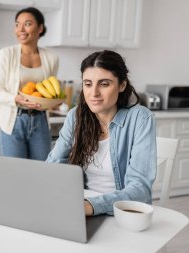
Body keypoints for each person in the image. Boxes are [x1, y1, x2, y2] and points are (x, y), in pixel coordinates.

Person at [47, 50, 156, 216]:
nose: (94, 93)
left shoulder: (140, 118)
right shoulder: (75, 116)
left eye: (104, 84)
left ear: (122, 85)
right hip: (80, 207)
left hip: (120, 212)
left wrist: (91, 206)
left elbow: (140, 190)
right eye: (88, 84)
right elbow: (53, 165)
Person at [0, 7, 59, 160]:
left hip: (40, 120)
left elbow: (50, 89)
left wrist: (51, 102)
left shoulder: (52, 57)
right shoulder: (5, 54)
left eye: (27, 24)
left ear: (40, 28)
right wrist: (16, 98)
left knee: (40, 171)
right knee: (14, 174)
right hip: (13, 121)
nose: (20, 29)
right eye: (17, 24)